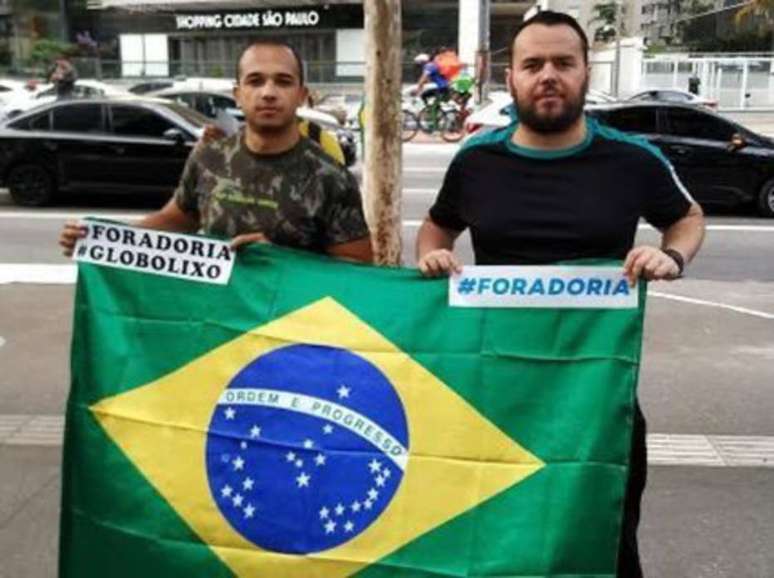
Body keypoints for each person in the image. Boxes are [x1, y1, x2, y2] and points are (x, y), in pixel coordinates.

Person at [415, 11, 705, 578]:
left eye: (562, 63)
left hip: (597, 401)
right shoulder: (476, 161)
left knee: (603, 542)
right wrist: (432, 254)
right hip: (492, 396)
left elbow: (688, 218)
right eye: (533, 64)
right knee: (491, 539)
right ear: (511, 78)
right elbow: (436, 226)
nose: (548, 75)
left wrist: (671, 256)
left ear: (584, 72)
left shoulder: (632, 158)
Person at [60, 40, 372, 263]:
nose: (268, 92)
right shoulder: (208, 158)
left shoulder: (331, 178)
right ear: (238, 94)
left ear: (302, 95)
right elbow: (176, 219)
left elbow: (358, 267)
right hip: (215, 332)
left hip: (289, 340)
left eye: (283, 81)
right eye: (255, 81)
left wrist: (282, 260)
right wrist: (104, 237)